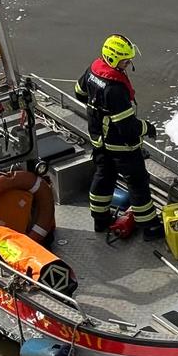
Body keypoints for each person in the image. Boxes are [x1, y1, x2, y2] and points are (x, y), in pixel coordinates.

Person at [74, 34, 161, 238]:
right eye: (125, 60)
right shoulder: (115, 88)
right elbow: (127, 127)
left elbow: (79, 92)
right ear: (113, 59)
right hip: (120, 146)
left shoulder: (93, 70)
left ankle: (100, 220)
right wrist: (147, 128)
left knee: (103, 177)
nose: (128, 64)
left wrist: (99, 108)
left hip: (99, 140)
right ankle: (149, 227)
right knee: (138, 183)